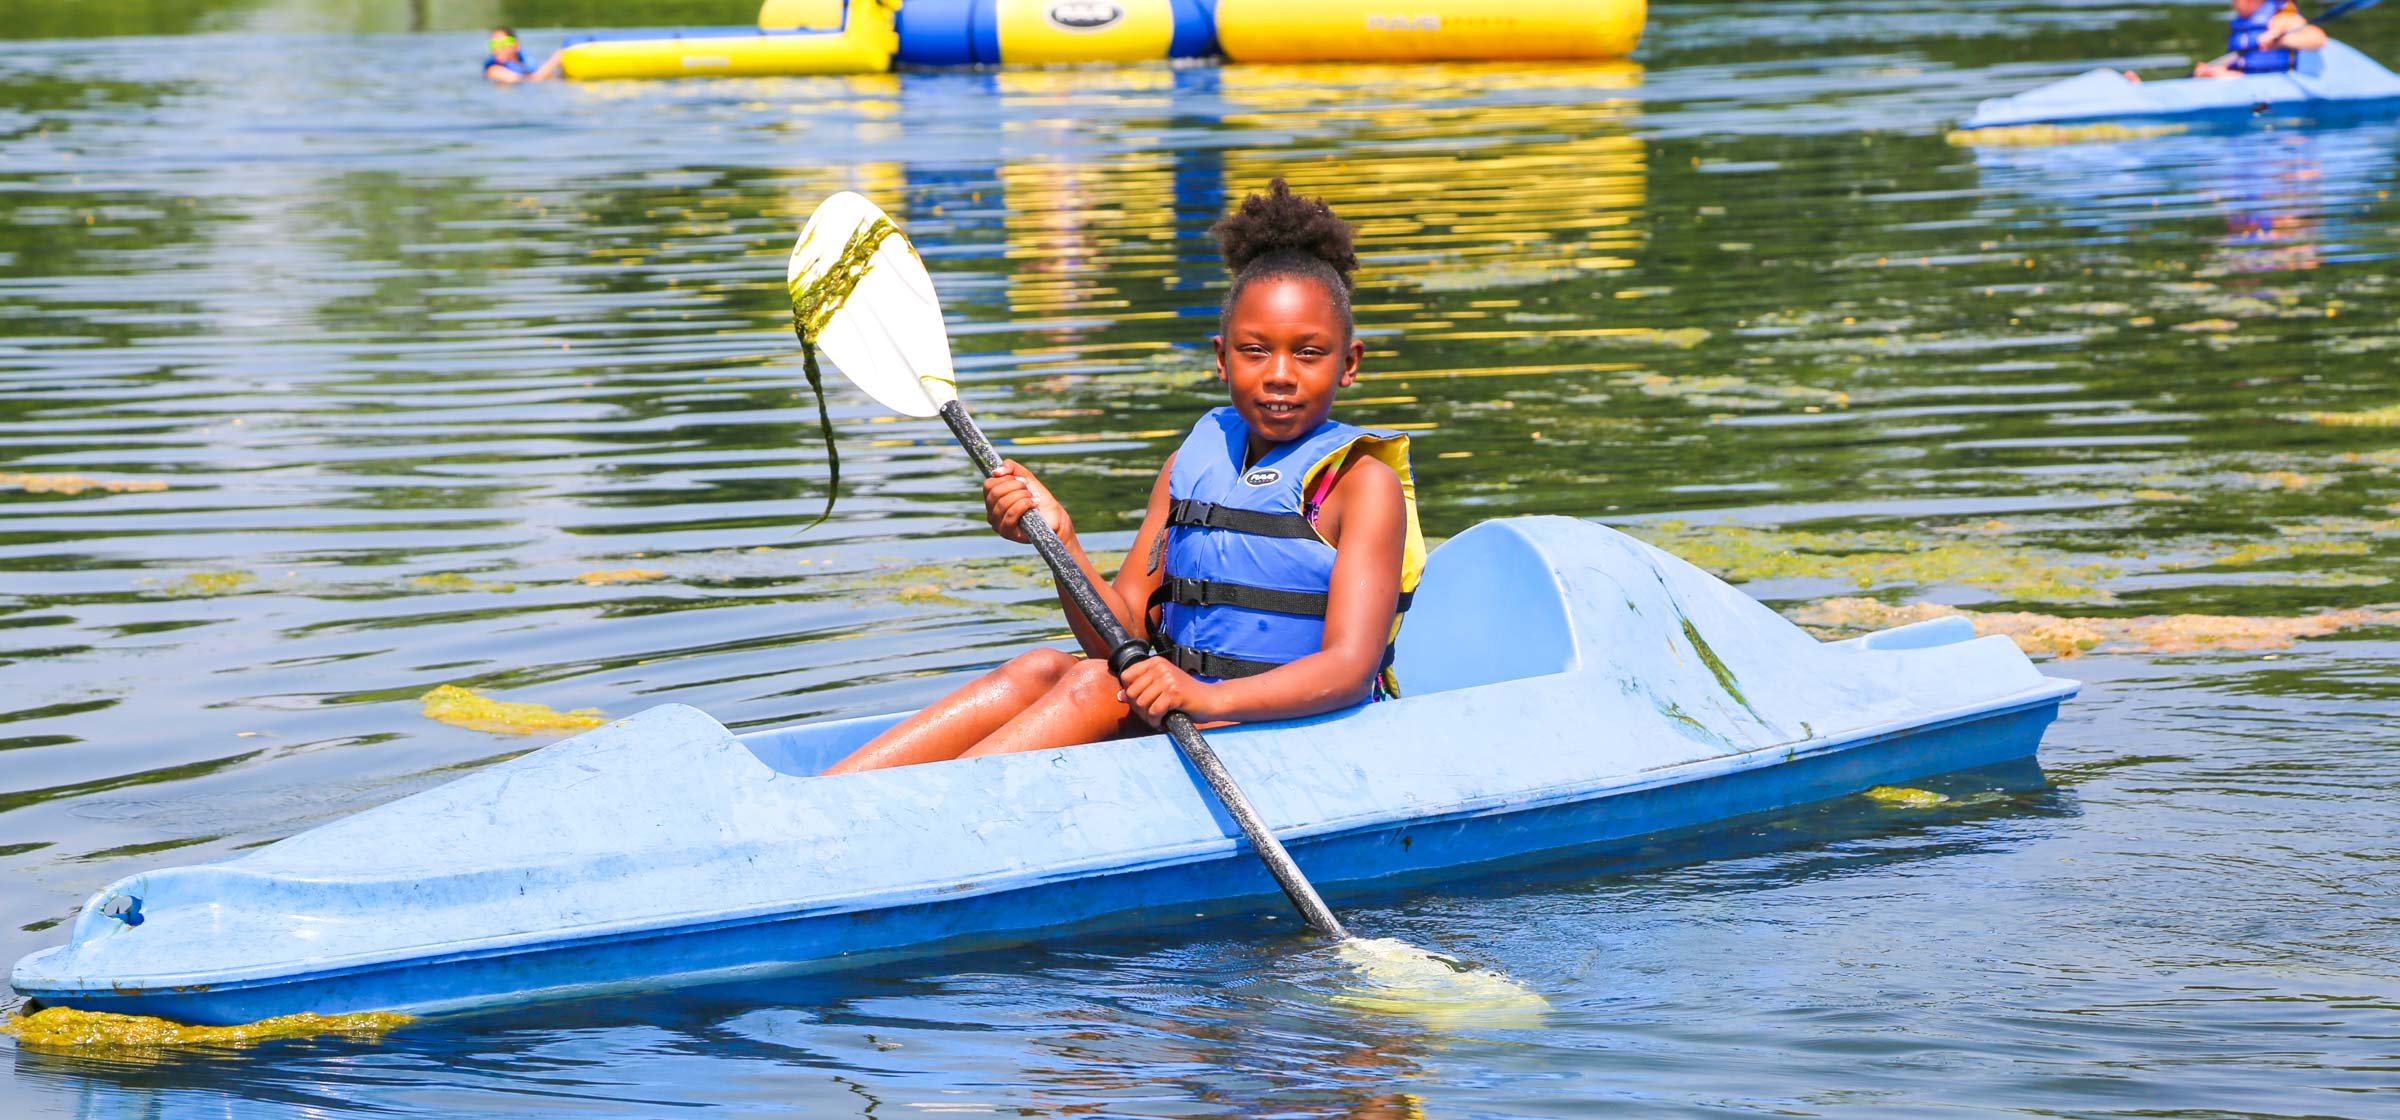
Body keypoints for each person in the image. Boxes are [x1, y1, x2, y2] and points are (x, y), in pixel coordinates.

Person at [823, 179, 1424, 774]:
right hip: (1195, 720)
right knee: (1043, 668)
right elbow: (1123, 632)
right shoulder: (1194, 462)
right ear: (1221, 357)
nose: (1280, 375)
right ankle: (830, 799)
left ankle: (910, 818)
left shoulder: (1361, 483)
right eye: (1255, 350)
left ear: (1349, 363)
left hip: (1291, 736)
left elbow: (1349, 669)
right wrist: (1060, 542)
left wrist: (1206, 697)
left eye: (1309, 353)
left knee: (1091, 687)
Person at [2196, 0, 2326, 78]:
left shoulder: (2280, 19)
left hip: (2271, 81)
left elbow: (2318, 39)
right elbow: (2239, 59)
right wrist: (2212, 70)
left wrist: (2282, 41)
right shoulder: (2241, 24)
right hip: (2243, 78)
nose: (2233, 3)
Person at [483, 28, 563, 83]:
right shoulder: (494, 70)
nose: (498, 49)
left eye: (502, 43)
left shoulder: (525, 63)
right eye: (493, 44)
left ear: (516, 45)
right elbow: (530, 80)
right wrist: (555, 59)